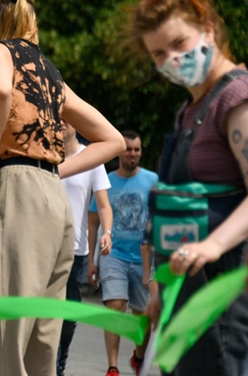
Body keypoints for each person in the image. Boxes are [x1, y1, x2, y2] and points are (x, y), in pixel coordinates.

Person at [0, 0, 125, 376]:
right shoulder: (49, 73)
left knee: (7, 325)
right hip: (53, 201)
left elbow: (2, 89)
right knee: (42, 334)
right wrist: (56, 172)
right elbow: (113, 140)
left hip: (16, 191)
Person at [127, 0, 248, 376]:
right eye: (159, 53)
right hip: (184, 291)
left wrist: (211, 246)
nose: (173, 60)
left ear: (208, 29)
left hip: (224, 292)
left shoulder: (237, 98)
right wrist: (160, 290)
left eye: (180, 43)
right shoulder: (188, 110)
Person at [86, 131, 157, 376]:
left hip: (144, 257)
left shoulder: (152, 180)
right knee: (115, 306)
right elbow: (93, 221)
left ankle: (138, 356)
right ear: (119, 152)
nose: (132, 154)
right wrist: (91, 261)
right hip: (113, 254)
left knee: (142, 314)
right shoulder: (107, 180)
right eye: (128, 149)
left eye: (137, 149)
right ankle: (112, 367)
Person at [55, 119, 113, 376]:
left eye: (68, 118)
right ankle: (43, 367)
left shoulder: (92, 159)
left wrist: (107, 232)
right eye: (58, 117)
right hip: (44, 247)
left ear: (78, 124)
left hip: (75, 252)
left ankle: (59, 364)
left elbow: (103, 205)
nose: (62, 122)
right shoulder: (45, 155)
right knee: (41, 312)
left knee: (68, 317)